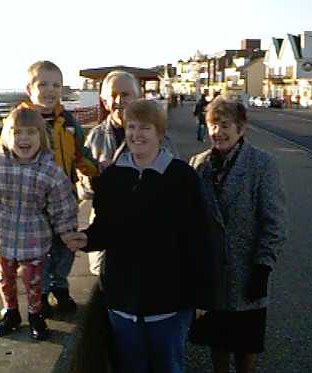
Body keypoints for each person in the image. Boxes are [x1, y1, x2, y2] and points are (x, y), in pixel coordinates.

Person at [74, 99, 213, 373]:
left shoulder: (182, 177)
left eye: (145, 128)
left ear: (160, 133)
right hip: (122, 300)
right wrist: (87, 239)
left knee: (168, 366)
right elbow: (106, 228)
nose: (137, 134)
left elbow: (199, 238)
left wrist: (202, 295)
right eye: (131, 127)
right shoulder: (113, 178)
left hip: (170, 303)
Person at [189, 97, 287, 373]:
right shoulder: (198, 165)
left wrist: (263, 267)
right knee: (217, 345)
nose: (218, 132)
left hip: (247, 273)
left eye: (224, 125)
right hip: (213, 275)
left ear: (241, 128)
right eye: (212, 125)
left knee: (246, 349)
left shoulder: (262, 164)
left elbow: (274, 223)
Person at [0, 107, 79, 340]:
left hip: (35, 235)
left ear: (42, 136)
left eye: (31, 133)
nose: (24, 139)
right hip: (4, 233)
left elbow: (63, 203)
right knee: (5, 278)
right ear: (7, 135)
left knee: (33, 280)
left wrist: (66, 232)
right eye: (17, 133)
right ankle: (10, 311)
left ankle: (36, 314)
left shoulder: (50, 170)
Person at [78, 70, 179, 276]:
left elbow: (176, 185)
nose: (119, 101)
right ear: (105, 101)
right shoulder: (95, 137)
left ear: (137, 97)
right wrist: (95, 176)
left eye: (125, 94)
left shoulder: (161, 138)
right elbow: (84, 192)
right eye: (113, 95)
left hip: (151, 237)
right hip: (107, 234)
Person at [23, 60, 98, 317]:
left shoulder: (67, 121)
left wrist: (97, 172)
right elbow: (4, 159)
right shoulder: (20, 122)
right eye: (43, 84)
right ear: (29, 88)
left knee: (65, 246)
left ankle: (60, 286)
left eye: (56, 84)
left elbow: (81, 154)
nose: (50, 90)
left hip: (65, 197)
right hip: (34, 203)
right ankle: (41, 293)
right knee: (39, 249)